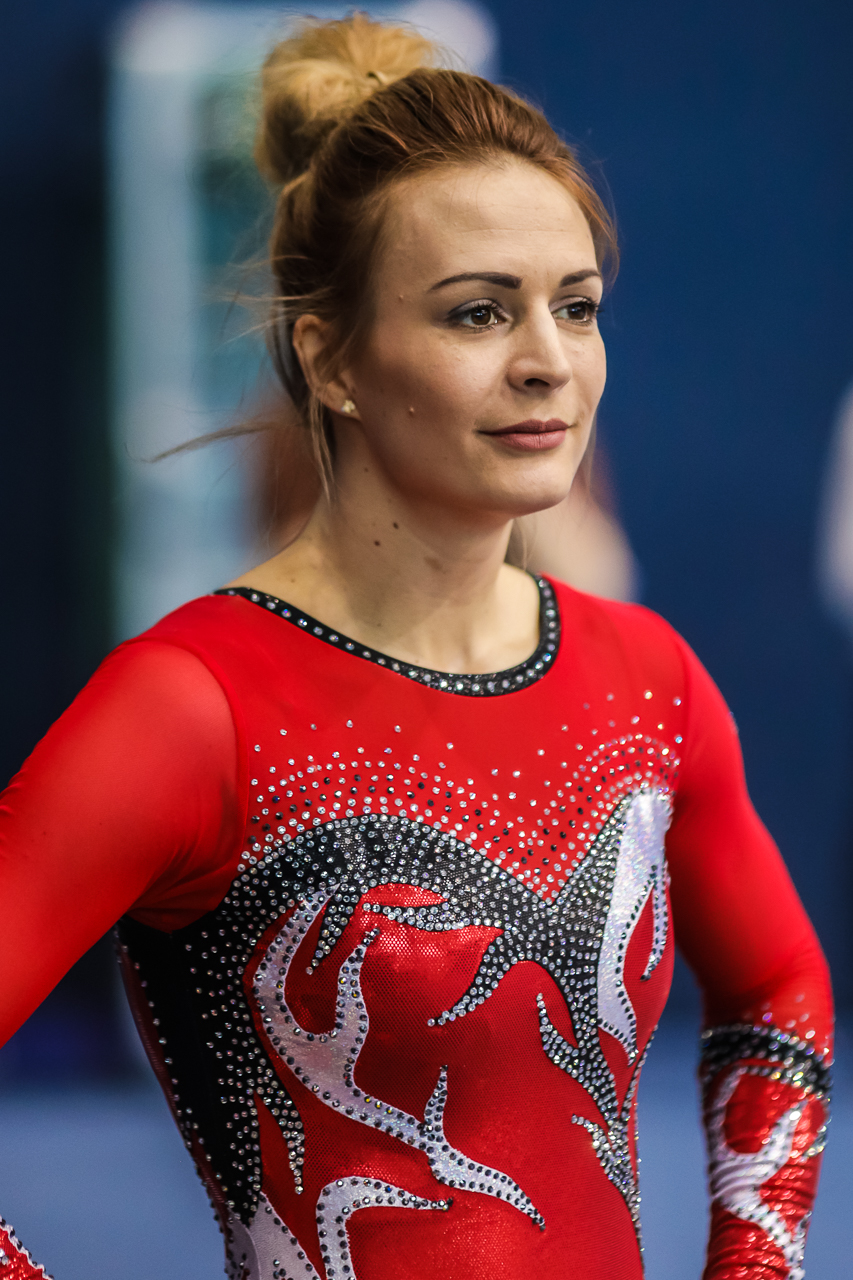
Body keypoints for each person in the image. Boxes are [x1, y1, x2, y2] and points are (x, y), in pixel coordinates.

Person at [0, 14, 832, 1280]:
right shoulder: (192, 704)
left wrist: (755, 1262)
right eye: (477, 314)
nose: (548, 362)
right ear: (330, 358)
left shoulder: (645, 675)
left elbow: (779, 985)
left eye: (576, 307)